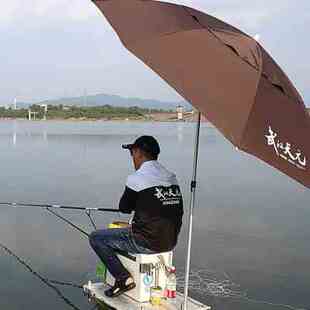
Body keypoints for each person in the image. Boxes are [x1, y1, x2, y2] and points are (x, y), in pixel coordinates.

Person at [89, 135, 184, 298]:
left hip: (146, 241)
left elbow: (124, 208)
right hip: (170, 241)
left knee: (97, 238)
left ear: (138, 153)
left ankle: (123, 278)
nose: (132, 158)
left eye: (132, 153)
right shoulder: (171, 177)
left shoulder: (137, 178)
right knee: (128, 229)